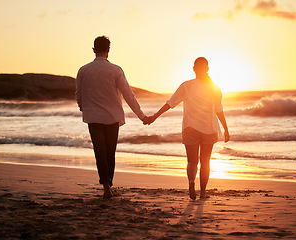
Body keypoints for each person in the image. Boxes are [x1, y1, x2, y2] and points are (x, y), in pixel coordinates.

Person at [144, 57, 230, 200]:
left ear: (194, 69)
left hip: (190, 128)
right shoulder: (214, 88)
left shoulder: (186, 86)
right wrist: (226, 129)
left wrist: (155, 116)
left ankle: (191, 182)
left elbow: (170, 104)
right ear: (207, 69)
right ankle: (203, 192)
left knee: (192, 161)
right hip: (209, 129)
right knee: (205, 161)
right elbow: (219, 111)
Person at [76, 36, 149, 199]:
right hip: (112, 117)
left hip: (93, 117)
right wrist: (141, 116)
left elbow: (79, 94)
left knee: (99, 151)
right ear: (108, 50)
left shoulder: (83, 70)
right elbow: (128, 95)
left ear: (94, 50)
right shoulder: (116, 70)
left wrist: (84, 108)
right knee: (110, 152)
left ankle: (106, 185)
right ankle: (109, 185)